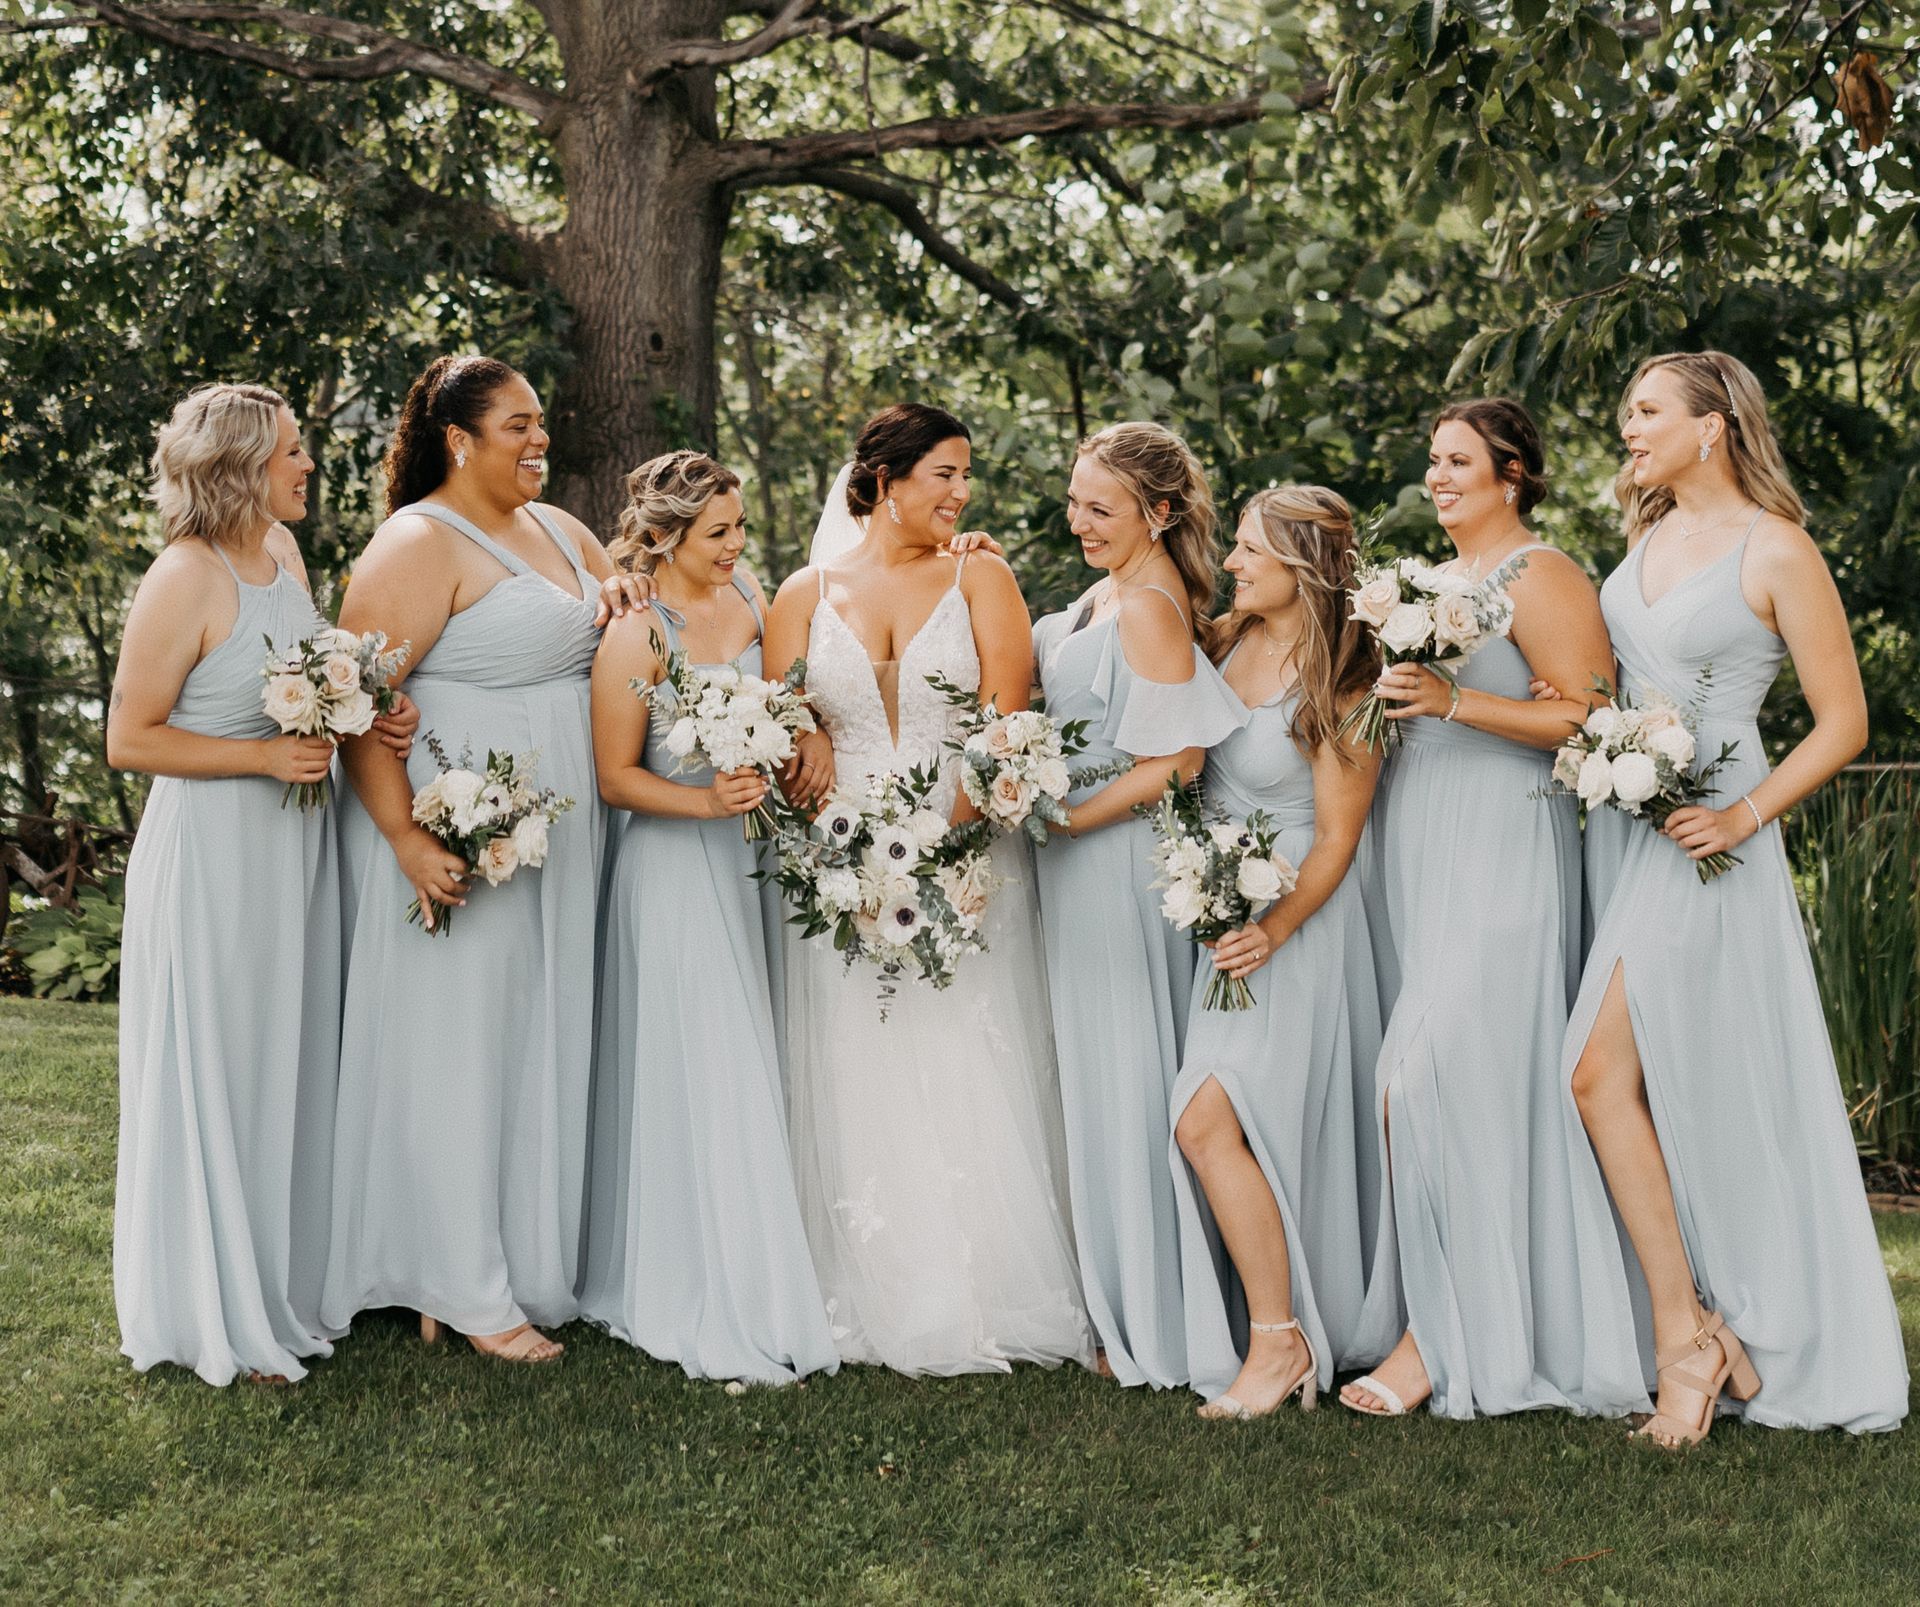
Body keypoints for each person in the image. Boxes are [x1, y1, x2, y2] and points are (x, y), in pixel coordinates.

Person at [1561, 351, 1907, 1440]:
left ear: (1713, 425)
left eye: (1648, 411)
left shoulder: (1778, 548)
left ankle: (1693, 1338)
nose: (1630, 430)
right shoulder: (1645, 540)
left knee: (1597, 1071)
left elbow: (1843, 722)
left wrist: (1745, 815)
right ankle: (1700, 1327)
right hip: (1642, 833)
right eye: (1628, 414)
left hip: (1719, 839)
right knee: (1652, 1080)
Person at [761, 403, 1094, 1376]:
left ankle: (991, 1283)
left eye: (964, 475)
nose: (960, 493)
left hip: (963, 841)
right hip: (842, 851)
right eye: (944, 473)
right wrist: (806, 732)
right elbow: (781, 712)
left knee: (967, 1047)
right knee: (863, 1050)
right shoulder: (802, 590)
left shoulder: (980, 574)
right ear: (884, 477)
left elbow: (1008, 714)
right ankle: (883, 1282)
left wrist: (940, 843)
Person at [1342, 398, 1642, 1421]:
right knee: (1442, 1083)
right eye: (1433, 460)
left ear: (1513, 472)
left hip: (1504, 847)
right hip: (1418, 840)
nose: (1439, 476)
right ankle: (1441, 1309)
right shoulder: (1430, 585)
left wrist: (1456, 701)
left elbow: (1591, 713)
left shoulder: (1542, 573)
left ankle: (1439, 1337)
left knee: (1420, 1078)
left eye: (1460, 460)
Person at [110, 382, 415, 1385]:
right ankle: (211, 1311)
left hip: (294, 847)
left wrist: (370, 714)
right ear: (240, 466)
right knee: (218, 1059)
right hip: (213, 854)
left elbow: (312, 685)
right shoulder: (182, 578)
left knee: (283, 1056)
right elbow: (130, 738)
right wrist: (256, 760)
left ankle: (278, 1281)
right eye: (292, 452)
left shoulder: (282, 557)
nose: (308, 466)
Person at [321, 355, 618, 1364]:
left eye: (543, 423)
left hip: (558, 834)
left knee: (537, 1037)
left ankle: (529, 1260)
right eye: (518, 425)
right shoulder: (415, 544)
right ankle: (460, 1282)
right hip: (458, 831)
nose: (541, 439)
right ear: (460, 437)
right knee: (461, 1047)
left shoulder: (561, 528)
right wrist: (407, 837)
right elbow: (356, 703)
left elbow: (619, 596)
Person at [579, 450, 837, 1384]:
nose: (737, 545)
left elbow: (789, 689)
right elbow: (616, 778)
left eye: (739, 527)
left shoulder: (752, 598)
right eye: (718, 532)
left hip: (747, 860)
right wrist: (711, 801)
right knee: (705, 1060)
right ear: (663, 537)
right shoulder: (637, 636)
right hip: (675, 864)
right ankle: (707, 1281)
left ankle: (758, 1261)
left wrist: (799, 735)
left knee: (747, 1053)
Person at [1031, 421, 1249, 1388]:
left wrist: (1072, 819)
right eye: (1075, 500)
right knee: (1098, 1075)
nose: (1079, 521)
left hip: (1117, 862)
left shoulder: (1152, 604)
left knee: (1127, 1075)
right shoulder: (1108, 589)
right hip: (1077, 857)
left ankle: (1158, 1319)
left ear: (1158, 513)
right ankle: (1117, 1300)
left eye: (1100, 508)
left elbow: (1179, 761)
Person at [1169, 486, 1383, 1419]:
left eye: (1252, 551)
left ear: (1301, 566)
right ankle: (1268, 1324)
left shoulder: (1343, 679)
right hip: (1219, 910)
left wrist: (1275, 925)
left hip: (1291, 921)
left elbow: (1339, 835)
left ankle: (1278, 1343)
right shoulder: (1220, 641)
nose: (1234, 563)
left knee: (1208, 1121)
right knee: (1228, 1124)